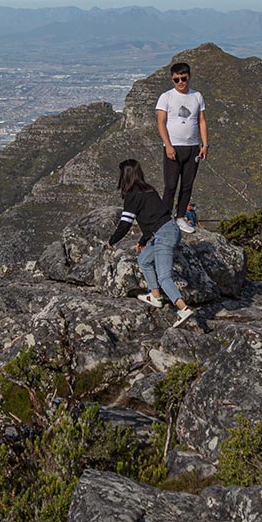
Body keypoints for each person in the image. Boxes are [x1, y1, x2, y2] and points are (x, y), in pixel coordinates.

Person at [106, 158, 198, 326]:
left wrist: (112, 242)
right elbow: (152, 218)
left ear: (125, 175)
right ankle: (155, 296)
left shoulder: (132, 195)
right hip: (171, 230)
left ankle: (183, 309)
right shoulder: (149, 190)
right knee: (144, 260)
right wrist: (143, 241)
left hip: (163, 235)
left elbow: (125, 224)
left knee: (164, 277)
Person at [156, 61, 207, 233]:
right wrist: (168, 145)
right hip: (173, 147)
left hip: (192, 146)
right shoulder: (166, 97)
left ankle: (180, 218)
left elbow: (201, 121)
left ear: (189, 77)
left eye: (183, 78)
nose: (180, 82)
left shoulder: (197, 96)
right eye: (176, 79)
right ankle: (163, 219)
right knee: (170, 185)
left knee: (187, 185)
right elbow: (161, 123)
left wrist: (205, 144)